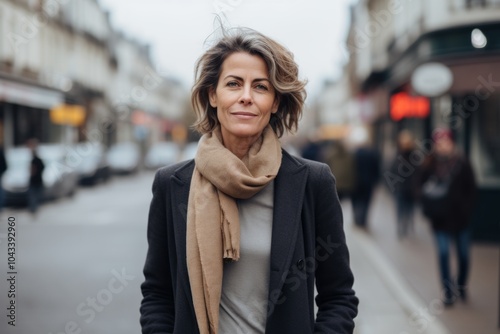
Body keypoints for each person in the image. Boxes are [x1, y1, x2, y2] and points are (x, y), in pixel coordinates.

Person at [140, 28, 358, 334]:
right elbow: (157, 293)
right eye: (233, 84)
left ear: (276, 102)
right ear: (212, 95)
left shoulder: (312, 182)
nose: (246, 96)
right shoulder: (172, 184)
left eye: (260, 87)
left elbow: (338, 296)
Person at [417, 128, 476, 306]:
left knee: (463, 255)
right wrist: (427, 206)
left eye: (445, 142)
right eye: (439, 143)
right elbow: (419, 186)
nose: (442, 146)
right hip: (440, 219)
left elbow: (472, 189)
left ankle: (461, 285)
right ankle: (447, 291)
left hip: (461, 219)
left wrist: (466, 209)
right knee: (443, 253)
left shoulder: (463, 163)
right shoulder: (430, 164)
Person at [389, 130, 417, 238]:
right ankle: (401, 227)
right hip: (400, 188)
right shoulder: (397, 156)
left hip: (411, 189)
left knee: (410, 209)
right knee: (400, 209)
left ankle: (408, 225)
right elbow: (391, 171)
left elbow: (418, 173)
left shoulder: (414, 156)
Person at [350, 130, 380, 228]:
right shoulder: (371, 154)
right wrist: (376, 181)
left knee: (356, 201)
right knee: (366, 202)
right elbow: (376, 169)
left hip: (355, 182)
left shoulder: (353, 154)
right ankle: (363, 220)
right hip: (368, 182)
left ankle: (357, 219)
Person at [28, 139, 45, 214]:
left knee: (34, 195)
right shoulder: (36, 160)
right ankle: (34, 208)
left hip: (35, 180)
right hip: (37, 180)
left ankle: (34, 208)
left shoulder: (35, 161)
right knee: (34, 195)